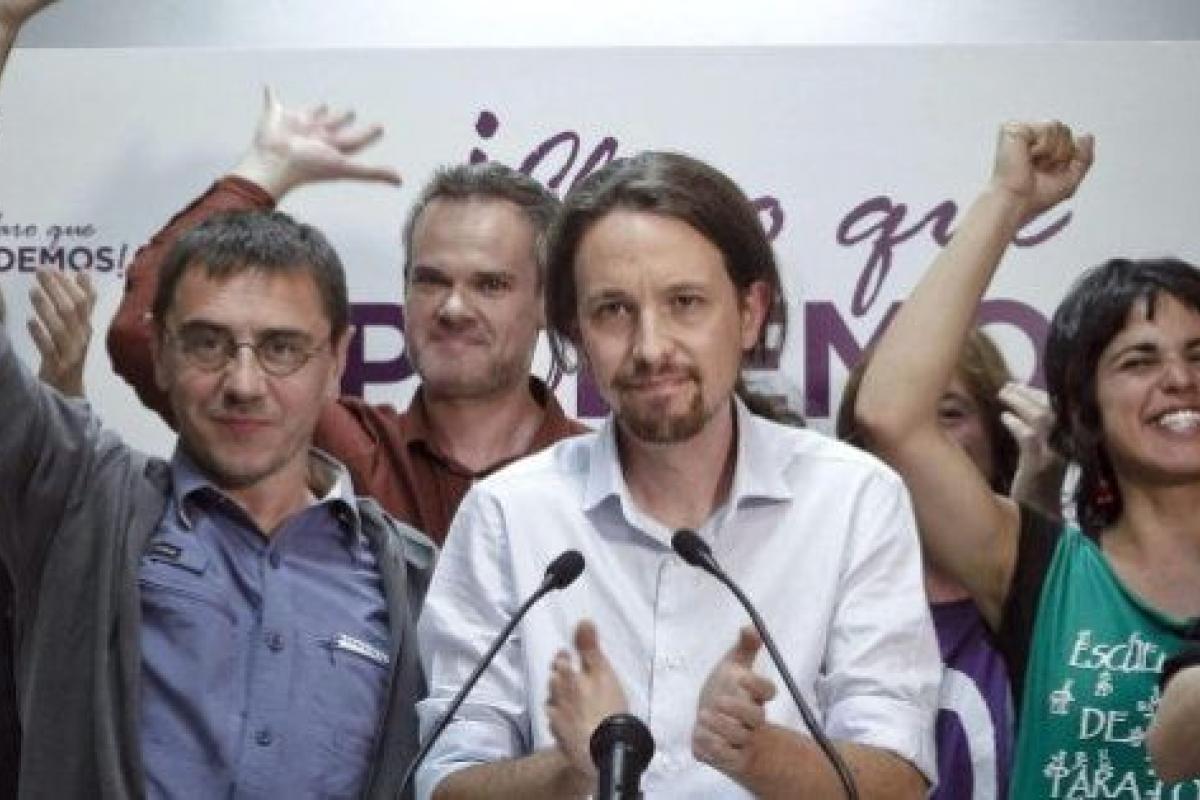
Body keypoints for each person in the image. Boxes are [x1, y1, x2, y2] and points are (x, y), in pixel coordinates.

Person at [416, 151, 941, 799]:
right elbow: (446, 782)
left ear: (750, 311)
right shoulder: (508, 513)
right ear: (577, 333)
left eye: (685, 303)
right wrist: (572, 770)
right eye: (613, 310)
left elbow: (900, 777)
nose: (650, 348)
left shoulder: (853, 498)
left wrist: (759, 754)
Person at [1, 210, 432, 797]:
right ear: (159, 351)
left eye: (281, 348)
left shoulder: (411, 580)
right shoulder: (83, 501)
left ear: (336, 361)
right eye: (207, 344)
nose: (243, 384)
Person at [856, 122, 1200, 796]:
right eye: (1139, 361)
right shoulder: (1038, 568)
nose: (1180, 380)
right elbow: (891, 414)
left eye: (1199, 355)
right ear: (1082, 408)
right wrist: (1007, 199)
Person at [107, 89, 587, 545]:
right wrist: (262, 172)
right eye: (431, 281)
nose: (453, 308)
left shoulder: (601, 468)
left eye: (490, 285)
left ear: (549, 303)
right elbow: (139, 332)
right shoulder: (334, 445)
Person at [836, 329, 1064, 799]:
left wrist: (1037, 508)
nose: (919, 445)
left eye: (949, 415)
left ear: (999, 433)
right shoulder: (829, 598)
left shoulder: (1060, 586)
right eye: (900, 426)